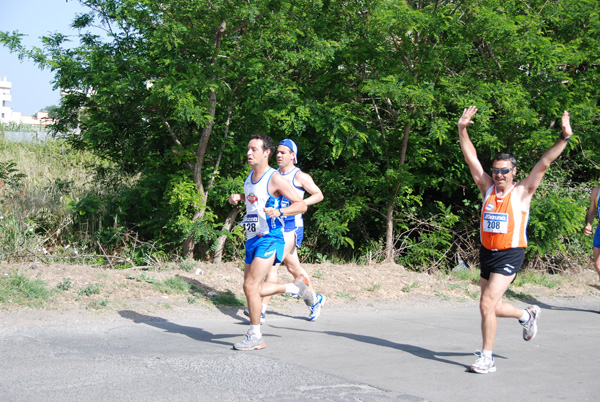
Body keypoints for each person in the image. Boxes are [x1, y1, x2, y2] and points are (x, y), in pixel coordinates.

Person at [457, 106, 573, 374]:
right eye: (496, 170)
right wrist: (462, 129)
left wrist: (564, 138)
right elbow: (471, 158)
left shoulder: (522, 192)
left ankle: (488, 358)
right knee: (490, 306)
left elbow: (544, 163)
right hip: (487, 252)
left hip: (510, 253)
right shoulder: (486, 187)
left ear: (513, 171)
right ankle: (527, 315)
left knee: (486, 304)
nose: (499, 175)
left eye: (504, 171)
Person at [228, 134, 314, 351]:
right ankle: (294, 288)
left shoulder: (274, 178)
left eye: (254, 149)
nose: (248, 153)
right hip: (252, 238)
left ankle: (255, 335)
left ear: (266, 152)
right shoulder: (250, 176)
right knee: (250, 289)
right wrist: (238, 196)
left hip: (270, 238)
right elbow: (254, 198)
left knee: (250, 285)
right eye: (248, 149)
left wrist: (280, 211)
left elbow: (301, 205)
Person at [253, 139, 325, 323]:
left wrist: (299, 204)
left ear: (293, 155)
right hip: (275, 227)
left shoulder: (300, 176)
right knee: (294, 268)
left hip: (292, 227)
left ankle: (261, 309)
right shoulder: (273, 175)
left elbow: (318, 195)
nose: (278, 155)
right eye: (277, 152)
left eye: (283, 152)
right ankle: (314, 300)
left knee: (271, 264)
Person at [583, 186, 600, 281]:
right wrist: (589, 224)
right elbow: (592, 212)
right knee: (597, 266)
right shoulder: (596, 192)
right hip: (599, 230)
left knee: (598, 264)